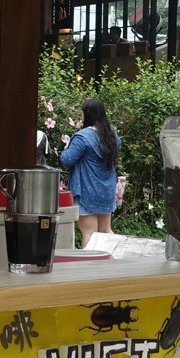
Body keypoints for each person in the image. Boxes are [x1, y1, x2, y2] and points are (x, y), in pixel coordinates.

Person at [60, 97, 120, 247]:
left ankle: (91, 267)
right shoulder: (112, 135)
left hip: (87, 190)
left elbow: (67, 160)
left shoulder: (82, 137)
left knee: (89, 233)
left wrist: (67, 146)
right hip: (106, 190)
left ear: (87, 114)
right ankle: (116, 263)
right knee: (106, 231)